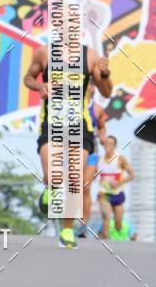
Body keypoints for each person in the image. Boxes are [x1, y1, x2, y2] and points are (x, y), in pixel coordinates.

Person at [23, 43, 112, 250]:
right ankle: (50, 188)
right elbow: (28, 78)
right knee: (55, 177)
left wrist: (106, 74)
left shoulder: (89, 56)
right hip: (51, 124)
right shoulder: (44, 52)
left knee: (75, 179)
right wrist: (40, 86)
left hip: (79, 126)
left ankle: (67, 229)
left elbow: (106, 93)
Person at [78, 84, 106, 238]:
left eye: (90, 84)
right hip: (71, 151)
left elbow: (102, 127)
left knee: (85, 187)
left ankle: (83, 225)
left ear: (94, 88)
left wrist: (102, 136)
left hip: (92, 151)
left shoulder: (97, 108)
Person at [99, 135, 134, 238]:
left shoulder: (120, 159)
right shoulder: (100, 159)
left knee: (117, 225)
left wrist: (120, 182)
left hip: (117, 194)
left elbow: (132, 174)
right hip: (104, 193)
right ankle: (105, 238)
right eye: (106, 142)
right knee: (106, 217)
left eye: (111, 143)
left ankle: (118, 230)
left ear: (115, 146)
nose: (108, 145)